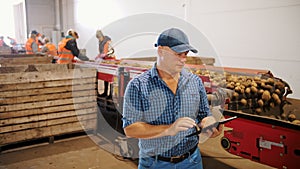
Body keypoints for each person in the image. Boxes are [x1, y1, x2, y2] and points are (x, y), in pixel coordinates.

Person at [122, 28, 223, 169]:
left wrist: (209, 125)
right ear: (161, 51)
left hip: (192, 161)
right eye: (178, 54)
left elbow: (203, 114)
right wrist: (169, 129)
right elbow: (130, 129)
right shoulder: (138, 85)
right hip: (155, 163)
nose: (183, 59)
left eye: (185, 54)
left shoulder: (195, 82)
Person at [95, 29, 115, 98]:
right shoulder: (100, 42)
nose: (99, 39)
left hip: (110, 60)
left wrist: (101, 56)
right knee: (105, 77)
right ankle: (105, 92)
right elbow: (101, 52)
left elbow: (106, 52)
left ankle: (110, 94)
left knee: (110, 78)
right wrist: (99, 56)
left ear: (102, 36)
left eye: (99, 38)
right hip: (105, 60)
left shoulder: (107, 41)